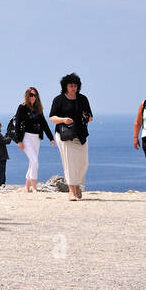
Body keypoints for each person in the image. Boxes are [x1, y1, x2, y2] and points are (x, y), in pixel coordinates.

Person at [49, 73, 94, 201]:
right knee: (70, 163)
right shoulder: (59, 99)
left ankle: (77, 184)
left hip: (81, 134)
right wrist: (63, 119)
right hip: (65, 135)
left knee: (83, 163)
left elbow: (90, 117)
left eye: (75, 85)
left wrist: (87, 118)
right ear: (65, 86)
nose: (73, 88)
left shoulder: (83, 99)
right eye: (71, 86)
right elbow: (52, 117)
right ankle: (71, 190)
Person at [14, 86, 54, 193]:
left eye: (35, 95)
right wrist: (19, 141)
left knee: (32, 162)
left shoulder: (38, 108)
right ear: (27, 96)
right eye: (31, 95)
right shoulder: (22, 107)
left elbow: (44, 124)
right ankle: (34, 187)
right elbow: (17, 125)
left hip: (36, 138)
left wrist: (51, 138)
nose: (33, 97)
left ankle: (27, 187)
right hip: (26, 137)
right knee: (35, 161)